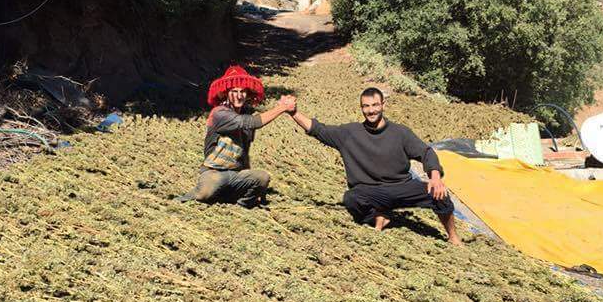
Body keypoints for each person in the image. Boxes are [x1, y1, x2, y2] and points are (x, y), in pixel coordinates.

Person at [288, 86, 462, 244]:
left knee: (440, 194)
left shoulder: (400, 133)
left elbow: (426, 152)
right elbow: (318, 130)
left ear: (383, 105)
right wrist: (293, 112)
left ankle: (453, 237)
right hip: (370, 191)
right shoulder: (349, 133)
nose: (371, 110)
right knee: (351, 198)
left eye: (375, 105)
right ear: (361, 108)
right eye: (366, 106)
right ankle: (377, 217)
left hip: (401, 187)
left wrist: (435, 177)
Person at [178, 64, 295, 207]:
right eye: (234, 91)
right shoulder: (219, 113)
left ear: (248, 94)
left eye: (242, 92)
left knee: (262, 177)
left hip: (236, 174)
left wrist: (254, 184)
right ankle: (188, 198)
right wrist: (282, 108)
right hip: (215, 172)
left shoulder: (246, 114)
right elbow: (252, 122)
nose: (239, 96)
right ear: (225, 93)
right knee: (204, 194)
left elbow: (244, 151)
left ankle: (241, 205)